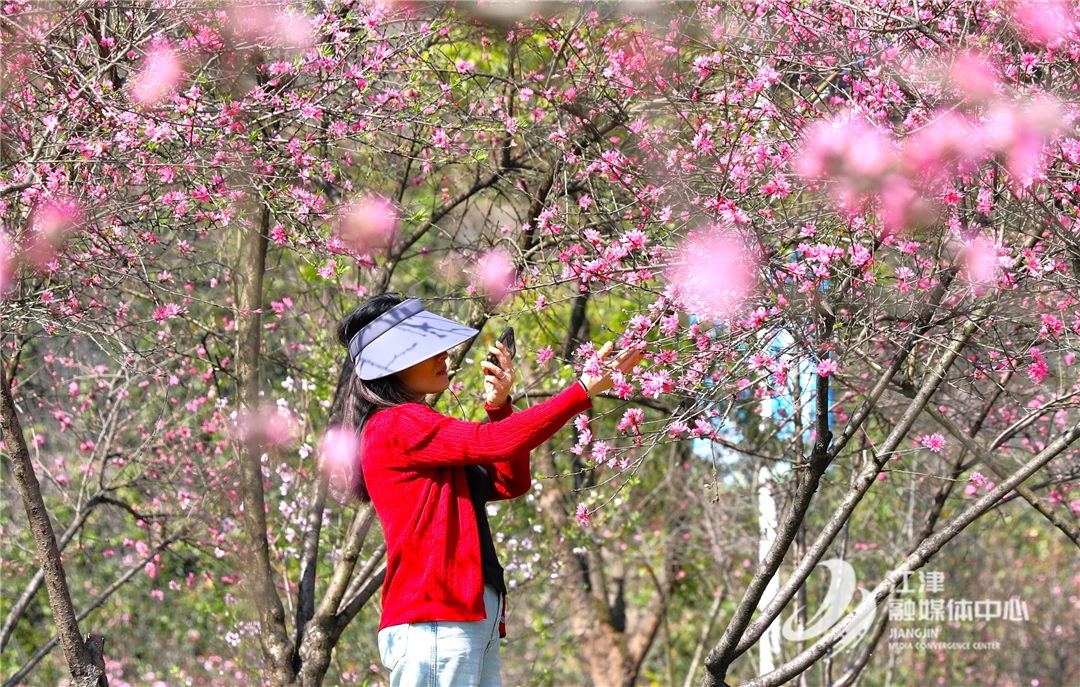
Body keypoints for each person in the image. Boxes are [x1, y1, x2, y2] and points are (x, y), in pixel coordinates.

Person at [335, 293, 642, 687]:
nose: (443, 356)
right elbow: (497, 442)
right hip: (436, 619)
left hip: (464, 619)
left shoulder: (416, 426)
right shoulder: (395, 425)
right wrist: (581, 390)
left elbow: (509, 481)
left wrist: (499, 408)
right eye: (427, 349)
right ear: (394, 366)